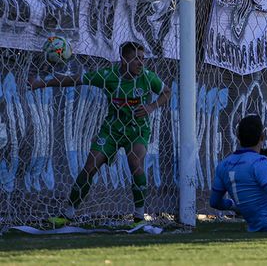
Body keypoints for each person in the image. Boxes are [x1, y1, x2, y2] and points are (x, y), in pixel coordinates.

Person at [29, 42, 171, 226]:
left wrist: (151, 106)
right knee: (90, 166)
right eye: (136, 58)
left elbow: (166, 92)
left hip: (137, 130)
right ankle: (68, 214)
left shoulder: (147, 77)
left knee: (135, 163)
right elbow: (74, 79)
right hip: (111, 130)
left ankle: (139, 217)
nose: (141, 63)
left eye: (143, 59)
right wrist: (40, 83)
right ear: (123, 59)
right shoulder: (107, 76)